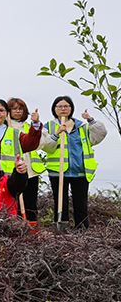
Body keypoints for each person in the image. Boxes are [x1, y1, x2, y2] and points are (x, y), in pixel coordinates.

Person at [40, 96, 107, 229]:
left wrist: (91, 120)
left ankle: (82, 231)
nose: (63, 109)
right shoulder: (49, 126)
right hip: (58, 172)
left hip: (80, 171)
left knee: (81, 204)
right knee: (60, 203)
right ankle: (62, 231)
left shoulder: (82, 126)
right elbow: (46, 146)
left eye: (66, 106)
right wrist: (57, 134)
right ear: (54, 109)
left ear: (71, 108)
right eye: (59, 106)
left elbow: (100, 135)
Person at [7, 97, 43, 223]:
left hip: (30, 170)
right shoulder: (5, 126)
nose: (18, 111)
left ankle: (32, 227)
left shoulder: (29, 126)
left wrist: (36, 124)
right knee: (13, 202)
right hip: (11, 170)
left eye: (20, 109)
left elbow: (39, 142)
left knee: (30, 202)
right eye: (14, 108)